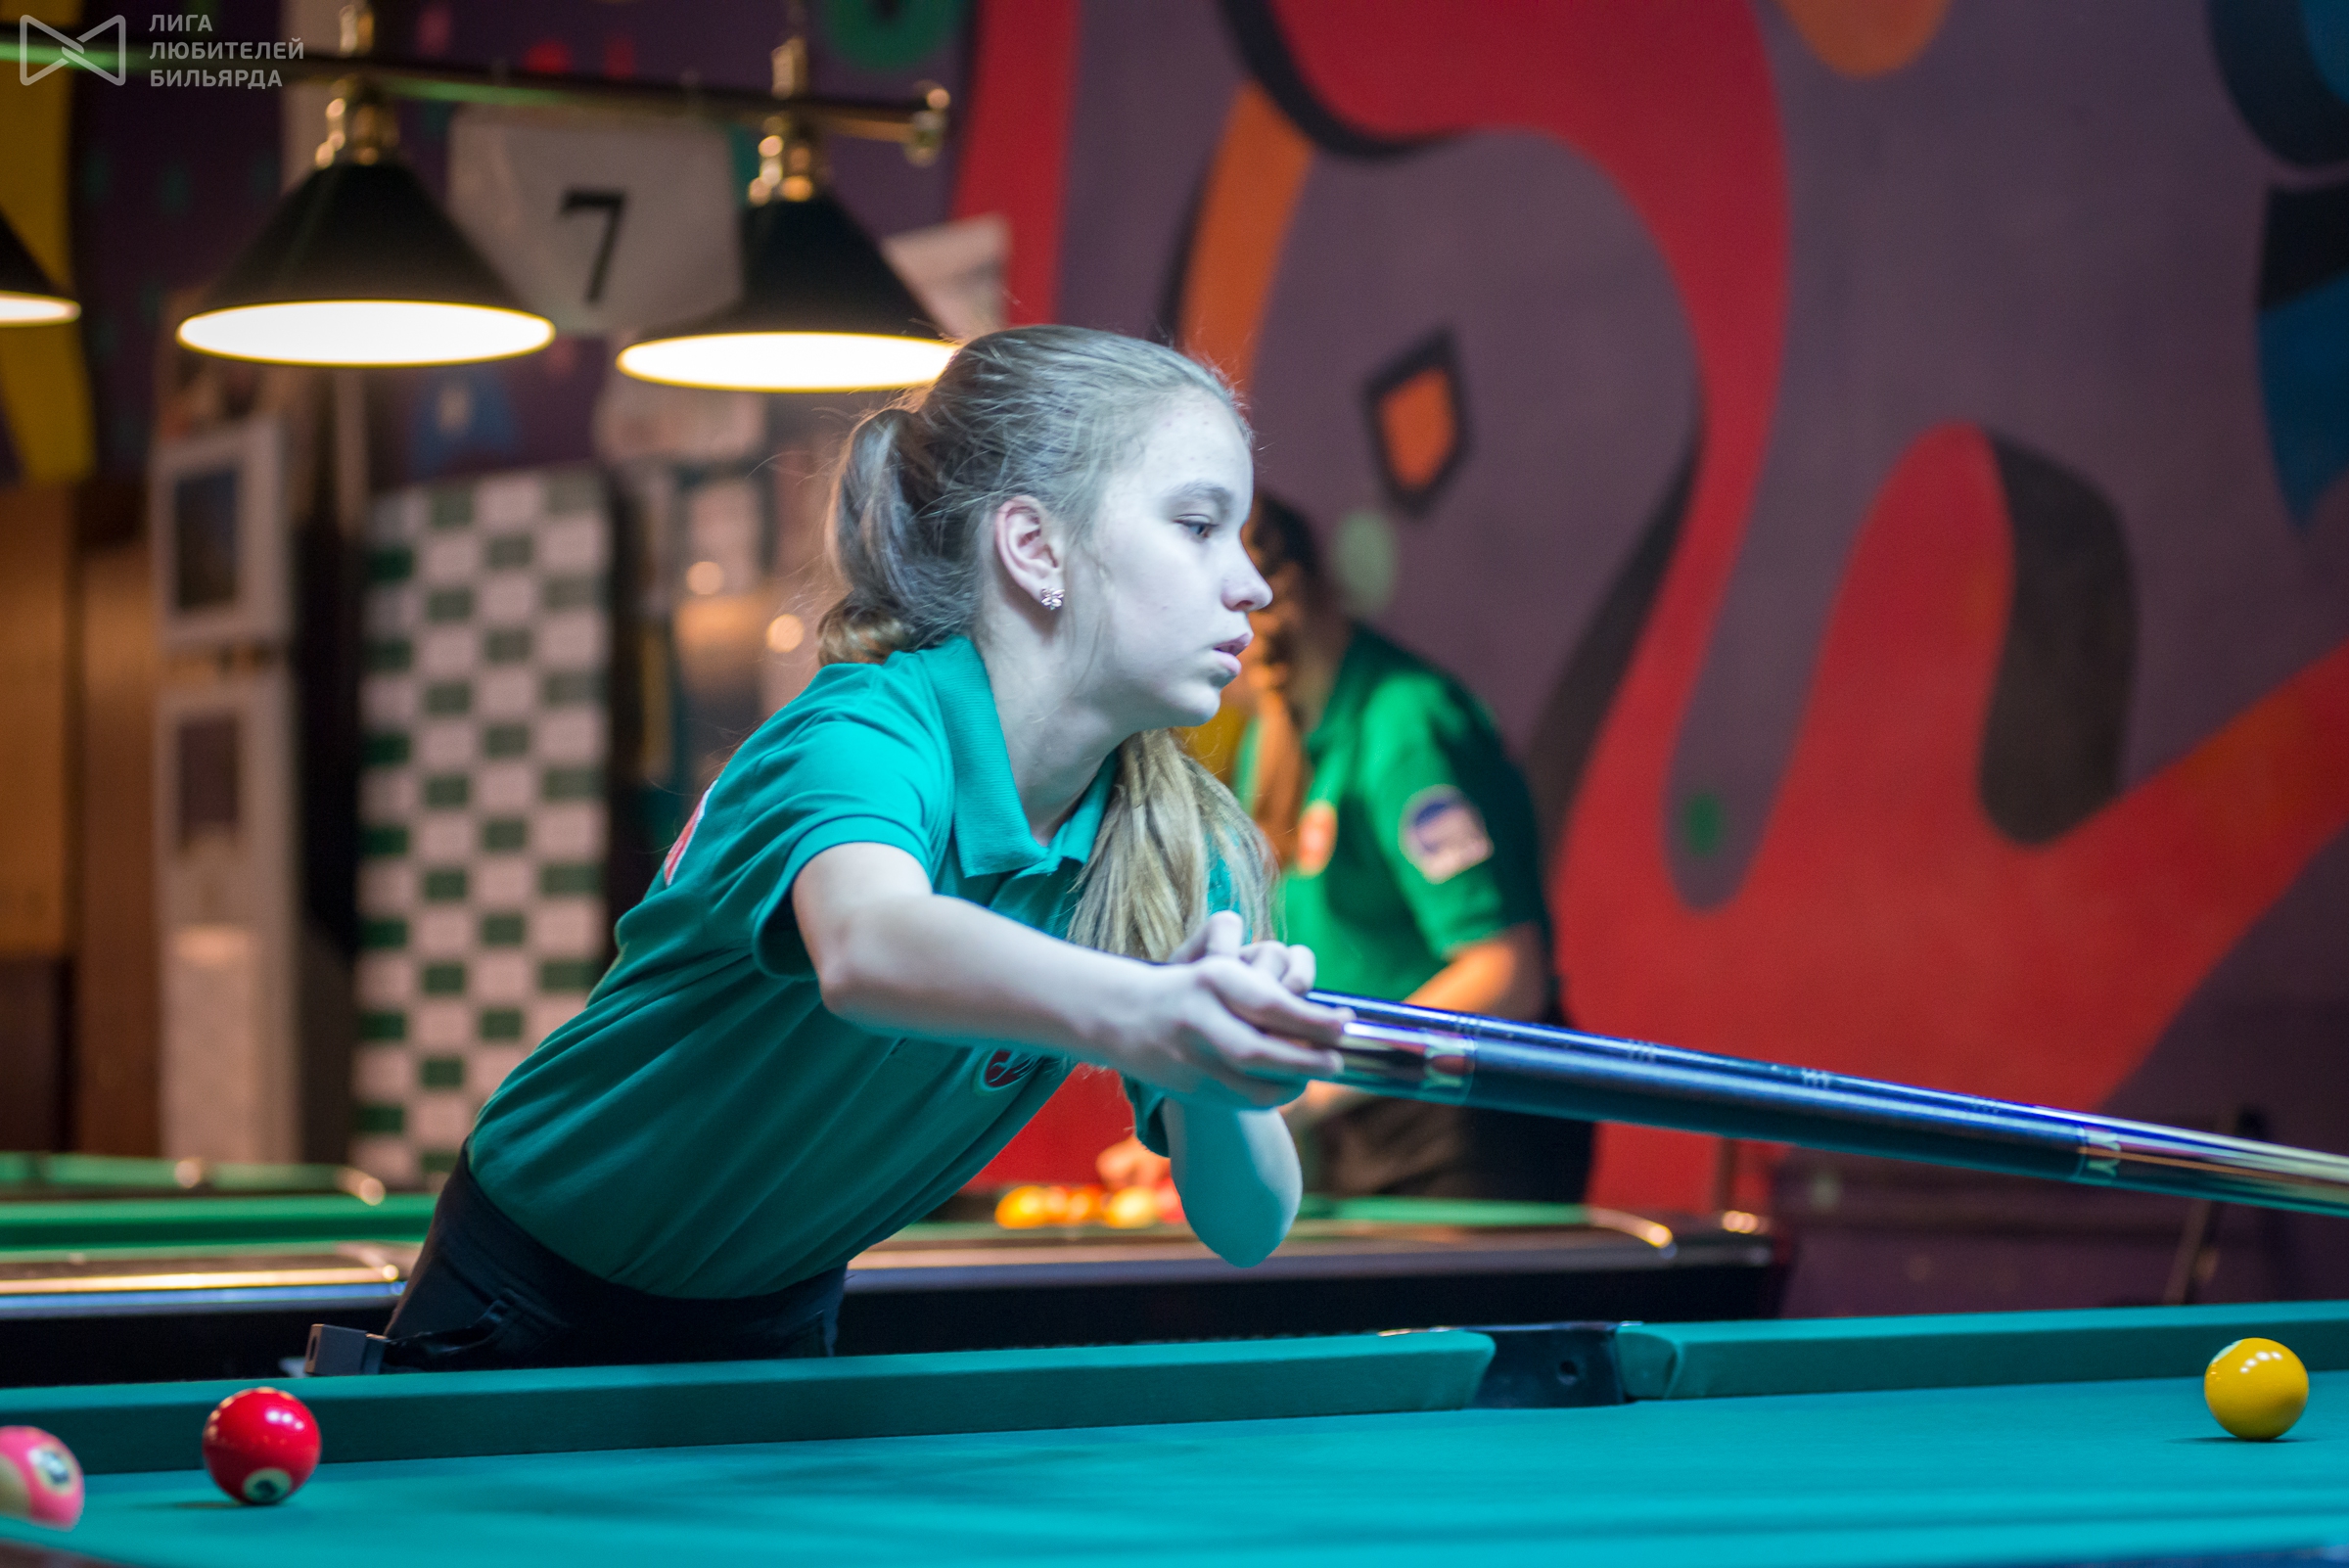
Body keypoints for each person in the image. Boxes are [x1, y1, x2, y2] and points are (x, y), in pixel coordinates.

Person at [379, 327, 1349, 1370]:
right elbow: (868, 947)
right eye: (1199, 525)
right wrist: (1150, 1010)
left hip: (774, 1313)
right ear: (1036, 548)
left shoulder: (1175, 841)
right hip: (526, 1285)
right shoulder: (864, 734)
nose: (1252, 584)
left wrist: (1215, 1067)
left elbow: (1248, 1226)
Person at [1101, 494, 1590, 1202]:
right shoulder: (1276, 736)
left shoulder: (1405, 731)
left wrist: (1303, 1091)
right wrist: (1207, 1115)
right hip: (1360, 1120)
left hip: (1467, 1128)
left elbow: (1507, 973)